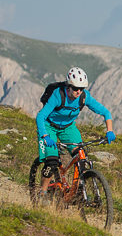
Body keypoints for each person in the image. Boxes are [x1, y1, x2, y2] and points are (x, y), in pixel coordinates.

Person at [36, 66, 116, 195]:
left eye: (81, 88)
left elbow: (105, 112)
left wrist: (109, 131)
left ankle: (77, 191)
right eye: (75, 88)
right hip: (49, 126)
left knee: (81, 158)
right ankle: (42, 192)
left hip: (68, 127)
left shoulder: (84, 97)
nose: (78, 91)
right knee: (51, 162)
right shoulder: (58, 95)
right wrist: (45, 135)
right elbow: (41, 116)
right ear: (69, 86)